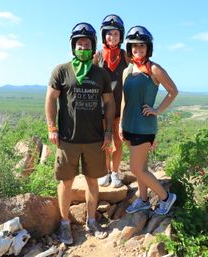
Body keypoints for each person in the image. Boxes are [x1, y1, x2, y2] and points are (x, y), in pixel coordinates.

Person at [45, 22, 115, 244]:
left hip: (95, 139)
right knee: (66, 182)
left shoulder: (100, 74)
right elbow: (50, 99)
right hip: (68, 140)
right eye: (79, 43)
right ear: (73, 46)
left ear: (93, 45)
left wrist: (109, 132)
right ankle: (65, 223)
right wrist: (51, 127)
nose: (82, 47)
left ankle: (91, 221)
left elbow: (109, 103)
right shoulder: (62, 70)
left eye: (86, 43)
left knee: (93, 182)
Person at [120, 26, 178, 215]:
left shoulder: (154, 69)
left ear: (148, 48)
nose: (138, 49)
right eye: (134, 46)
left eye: (142, 46)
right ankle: (143, 200)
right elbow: (123, 99)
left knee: (136, 169)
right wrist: (121, 123)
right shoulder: (127, 71)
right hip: (129, 125)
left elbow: (173, 91)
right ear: (130, 48)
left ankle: (166, 197)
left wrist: (157, 110)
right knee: (141, 167)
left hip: (144, 126)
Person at [94, 14, 130, 188]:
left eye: (116, 34)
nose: (112, 37)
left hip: (119, 106)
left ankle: (114, 172)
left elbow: (137, 69)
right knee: (103, 141)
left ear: (121, 36)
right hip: (101, 107)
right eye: (109, 33)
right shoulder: (98, 55)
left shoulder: (125, 55)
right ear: (103, 35)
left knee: (117, 139)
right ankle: (104, 172)